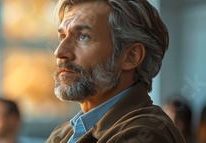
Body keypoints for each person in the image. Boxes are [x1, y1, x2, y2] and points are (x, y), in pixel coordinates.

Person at [46, 0, 185, 142]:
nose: (59, 52)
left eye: (83, 37)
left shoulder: (145, 134)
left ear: (131, 56)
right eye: (62, 37)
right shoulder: (64, 133)